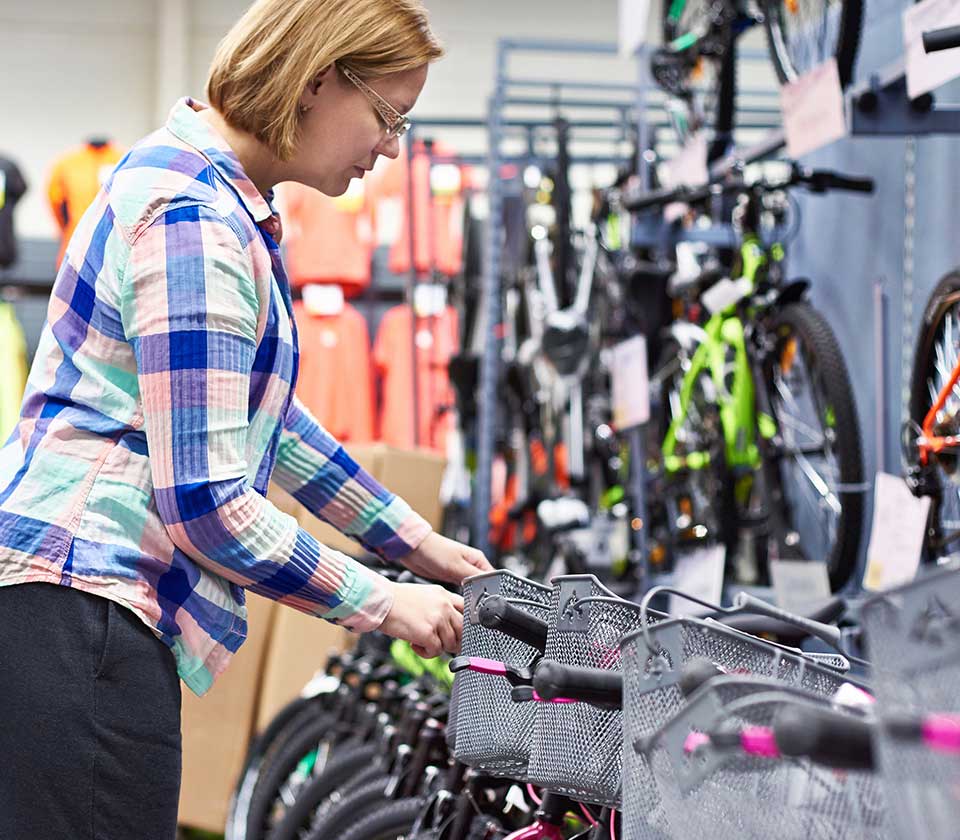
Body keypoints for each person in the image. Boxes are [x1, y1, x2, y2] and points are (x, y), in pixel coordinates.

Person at [0, 1, 491, 837]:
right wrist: (384, 602)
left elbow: (270, 418)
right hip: (82, 617)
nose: (391, 147)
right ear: (316, 81)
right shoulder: (193, 221)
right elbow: (207, 502)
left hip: (77, 612)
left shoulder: (214, 194)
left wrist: (418, 544)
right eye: (388, 115)